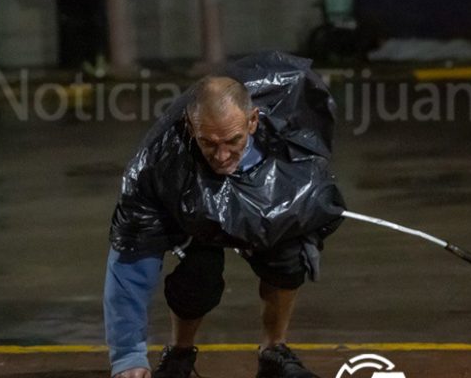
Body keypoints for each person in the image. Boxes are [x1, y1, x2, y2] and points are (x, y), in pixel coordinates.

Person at [104, 52, 346, 378]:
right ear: (190, 127)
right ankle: (180, 353)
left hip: (266, 202)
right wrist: (128, 357)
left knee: (289, 255)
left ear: (253, 122)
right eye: (209, 143)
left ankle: (274, 350)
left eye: (233, 141)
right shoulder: (157, 165)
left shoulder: (289, 141)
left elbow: (319, 205)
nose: (221, 156)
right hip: (193, 214)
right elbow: (131, 262)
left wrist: (306, 229)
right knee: (199, 276)